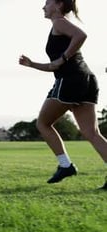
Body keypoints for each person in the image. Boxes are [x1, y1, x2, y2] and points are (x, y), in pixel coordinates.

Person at [19, 0, 107, 190]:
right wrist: (32, 64)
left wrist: (64, 57)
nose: (43, 7)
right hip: (87, 79)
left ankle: (66, 166)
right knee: (91, 133)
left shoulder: (59, 22)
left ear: (58, 5)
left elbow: (81, 35)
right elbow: (53, 66)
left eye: (47, 3)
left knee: (43, 123)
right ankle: (66, 166)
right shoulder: (58, 26)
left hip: (71, 81)